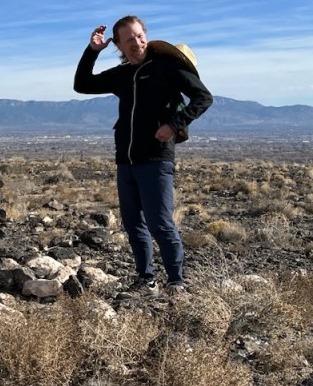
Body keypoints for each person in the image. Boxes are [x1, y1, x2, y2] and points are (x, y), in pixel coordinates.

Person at [73, 15, 212, 293]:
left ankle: (176, 282)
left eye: (139, 35)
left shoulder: (166, 67)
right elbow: (82, 84)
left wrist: (174, 125)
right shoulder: (122, 75)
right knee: (133, 223)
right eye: (129, 39)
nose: (137, 42)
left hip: (156, 158)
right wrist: (91, 52)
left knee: (160, 223)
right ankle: (145, 279)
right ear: (120, 47)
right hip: (126, 160)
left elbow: (203, 97)